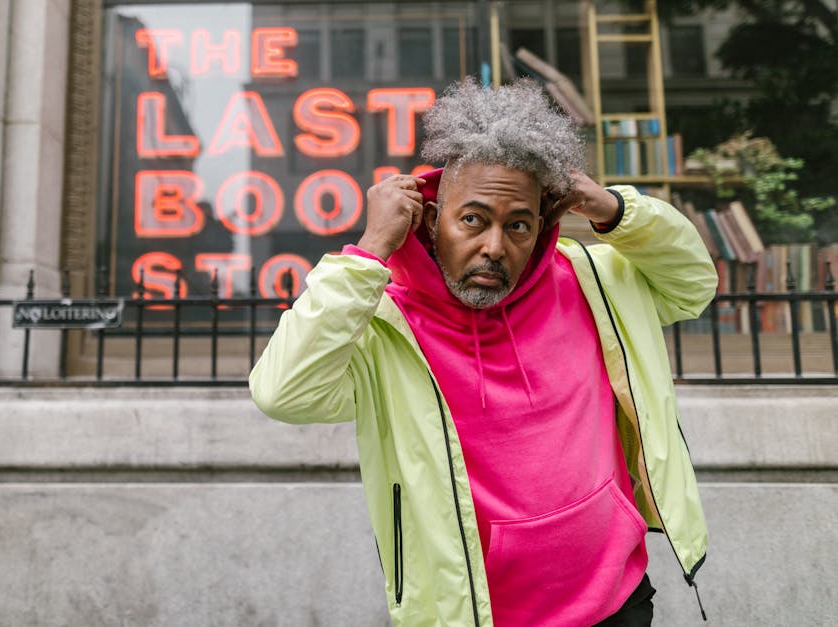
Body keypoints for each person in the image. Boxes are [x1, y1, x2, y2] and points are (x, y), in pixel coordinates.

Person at [250, 77, 716, 626]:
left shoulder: (592, 280)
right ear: (429, 219)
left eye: (517, 224)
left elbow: (692, 284)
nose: (495, 246)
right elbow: (283, 394)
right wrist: (370, 249)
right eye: (473, 219)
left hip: (617, 599)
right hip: (474, 615)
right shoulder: (383, 324)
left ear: (542, 223)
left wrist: (610, 208)